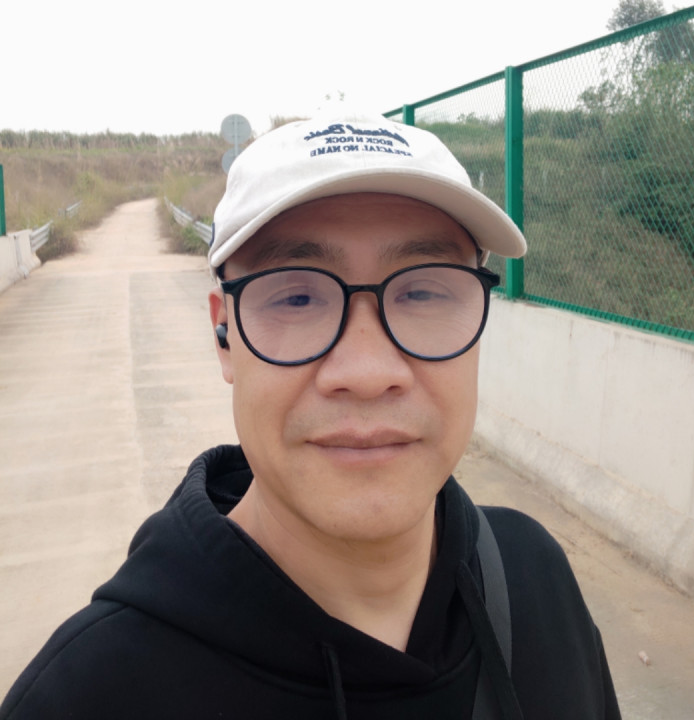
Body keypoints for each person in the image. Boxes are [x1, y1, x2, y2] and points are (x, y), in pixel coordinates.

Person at [0, 111, 621, 719]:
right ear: (224, 334)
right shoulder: (86, 694)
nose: (368, 372)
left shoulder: (534, 578)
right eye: (297, 297)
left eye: (423, 291)